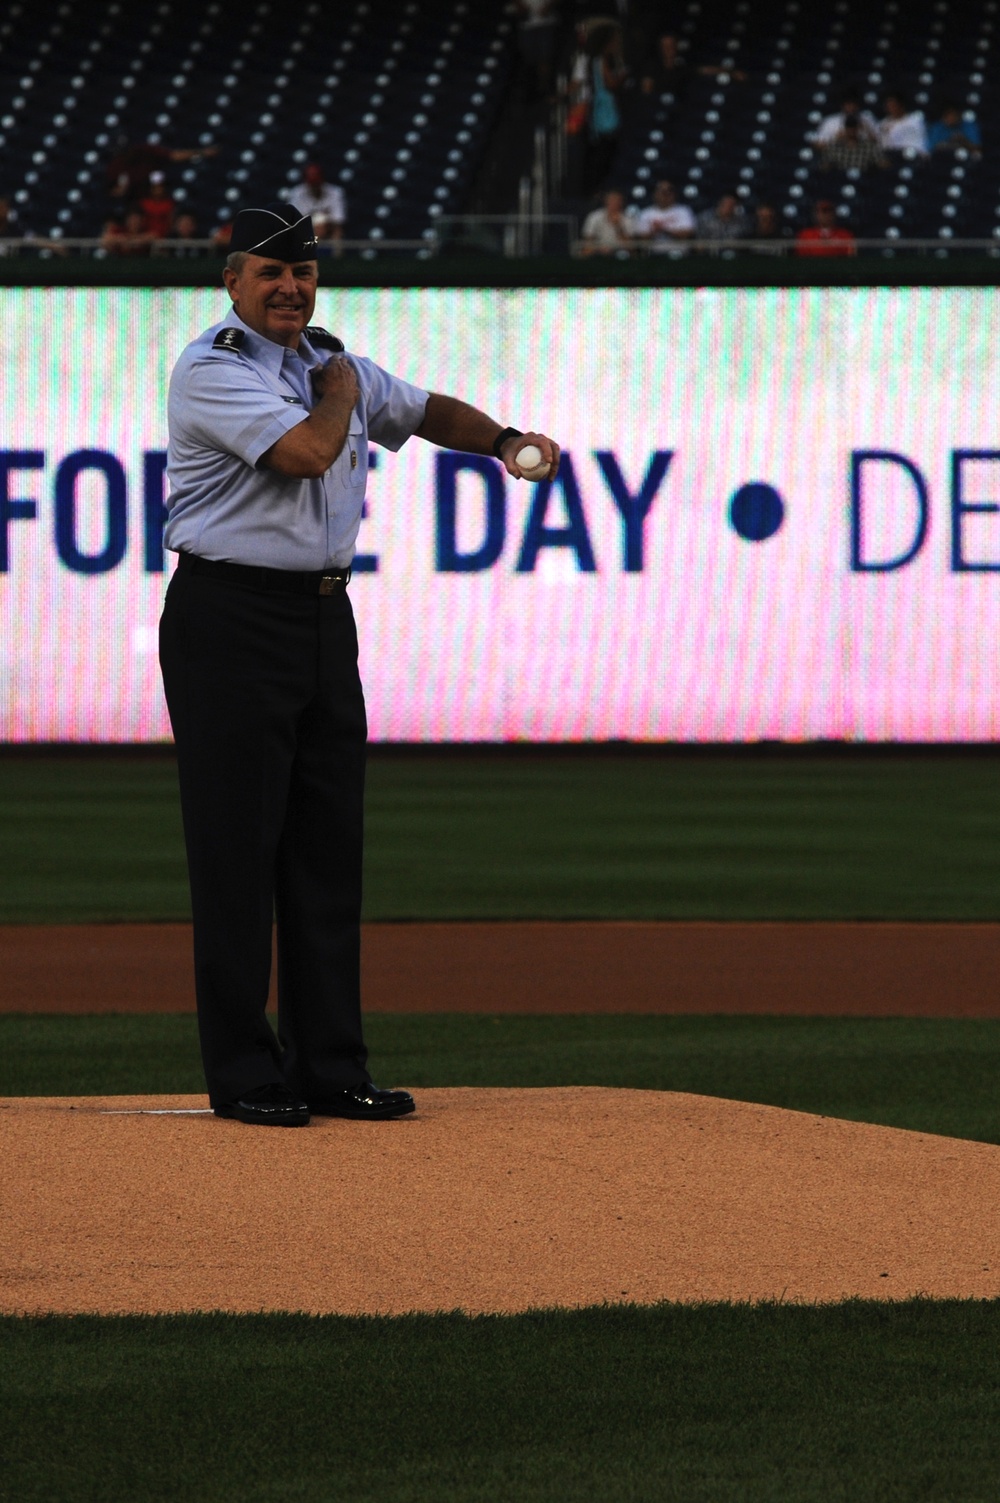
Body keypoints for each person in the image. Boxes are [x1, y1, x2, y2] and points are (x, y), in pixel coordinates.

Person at [158, 202, 560, 1128]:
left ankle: (331, 1065)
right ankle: (245, 1071)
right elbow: (305, 450)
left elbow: (424, 412)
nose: (291, 286)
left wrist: (501, 440)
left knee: (325, 855)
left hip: (321, 617)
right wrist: (342, 391)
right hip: (230, 617)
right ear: (233, 281)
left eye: (302, 273)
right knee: (235, 856)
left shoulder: (326, 363)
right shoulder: (215, 367)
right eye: (271, 273)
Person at [286, 163, 346, 254]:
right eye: (312, 184)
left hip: (329, 228)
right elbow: (294, 220)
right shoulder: (296, 193)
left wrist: (325, 224)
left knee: (337, 231)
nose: (314, 187)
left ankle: (337, 260)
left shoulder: (335, 192)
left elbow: (339, 219)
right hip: (305, 229)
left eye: (316, 183)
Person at [634, 179, 695, 255]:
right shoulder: (646, 213)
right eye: (662, 192)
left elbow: (687, 234)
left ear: (674, 194)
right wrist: (655, 231)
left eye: (669, 192)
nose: (665, 195)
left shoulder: (683, 211)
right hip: (653, 255)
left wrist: (664, 230)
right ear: (655, 194)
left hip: (679, 254)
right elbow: (641, 238)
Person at [810, 90, 879, 148]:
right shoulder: (830, 121)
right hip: (838, 158)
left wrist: (866, 130)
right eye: (848, 104)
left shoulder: (868, 118)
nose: (851, 107)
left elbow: (881, 142)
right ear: (842, 105)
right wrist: (836, 139)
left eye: (854, 104)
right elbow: (817, 145)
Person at [581, 188, 634, 255]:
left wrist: (618, 226)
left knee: (624, 254)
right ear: (606, 201)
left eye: (617, 200)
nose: (614, 203)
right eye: (611, 200)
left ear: (621, 202)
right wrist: (599, 247)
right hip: (598, 249)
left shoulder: (628, 218)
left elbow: (630, 246)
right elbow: (588, 239)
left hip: (619, 251)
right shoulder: (594, 216)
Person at [140, 172, 175, 240]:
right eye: (155, 187)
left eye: (159, 187)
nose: (157, 190)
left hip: (164, 238)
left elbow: (171, 223)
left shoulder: (169, 204)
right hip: (146, 237)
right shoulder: (144, 203)